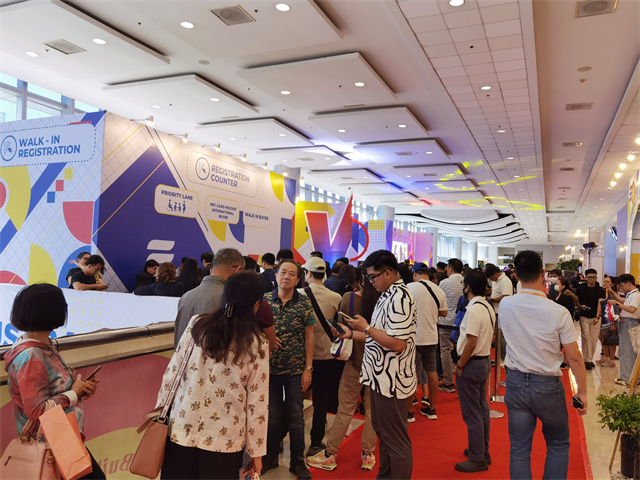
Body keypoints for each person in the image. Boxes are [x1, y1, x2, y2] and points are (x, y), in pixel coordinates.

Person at [158, 272, 269, 479]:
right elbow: (257, 403)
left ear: (224, 297)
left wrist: (160, 414)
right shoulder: (257, 344)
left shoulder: (197, 325)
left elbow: (171, 374)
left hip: (181, 429)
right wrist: (256, 452)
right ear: (256, 306)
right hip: (224, 440)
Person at [500, 250, 587, 480]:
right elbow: (574, 357)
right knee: (558, 444)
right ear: (543, 274)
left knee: (519, 449)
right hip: (547, 385)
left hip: (516, 382)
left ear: (516, 276)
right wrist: (582, 392)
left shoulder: (506, 305)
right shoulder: (558, 312)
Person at [4, 284, 105, 479]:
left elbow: (52, 390)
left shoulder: (42, 346)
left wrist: (80, 390)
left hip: (61, 437)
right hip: (51, 442)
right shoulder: (31, 356)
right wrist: (73, 394)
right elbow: (36, 410)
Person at [332, 250, 416, 480]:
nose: (370, 282)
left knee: (395, 440)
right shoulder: (387, 294)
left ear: (388, 273)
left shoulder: (400, 297)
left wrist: (366, 328)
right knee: (385, 434)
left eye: (372, 277)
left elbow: (397, 344)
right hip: (380, 377)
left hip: (392, 380)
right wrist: (351, 334)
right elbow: (378, 337)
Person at [306, 278, 381, 471]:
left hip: (354, 362)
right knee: (372, 411)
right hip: (378, 364)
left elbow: (340, 329)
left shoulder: (349, 297)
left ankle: (330, 454)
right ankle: (367, 454)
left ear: (363, 278)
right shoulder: (386, 300)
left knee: (345, 409)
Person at [262, 259, 315, 480]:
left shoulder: (304, 303)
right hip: (269, 370)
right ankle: (270, 456)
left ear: (298, 279)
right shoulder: (264, 301)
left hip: (295, 370)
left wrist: (308, 368)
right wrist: (267, 338)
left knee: (296, 416)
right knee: (272, 415)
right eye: (283, 272)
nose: (286, 277)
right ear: (275, 276)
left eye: (292, 274)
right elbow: (254, 329)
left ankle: (297, 460)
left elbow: (310, 337)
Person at [298, 256, 343, 457]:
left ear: (307, 273)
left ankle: (285, 441)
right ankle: (316, 442)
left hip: (301, 358)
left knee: (294, 400)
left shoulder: (298, 295)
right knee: (321, 400)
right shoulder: (336, 297)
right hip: (326, 355)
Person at [454, 270, 495, 473]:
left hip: (472, 363)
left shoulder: (473, 310)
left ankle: (477, 457)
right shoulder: (486, 306)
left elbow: (471, 342)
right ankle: (481, 451)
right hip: (483, 360)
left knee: (472, 413)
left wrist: (460, 365)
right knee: (481, 408)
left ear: (467, 287)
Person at [173, 249, 244, 347]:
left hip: (184, 355)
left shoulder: (186, 296)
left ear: (211, 270)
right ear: (238, 270)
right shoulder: (232, 299)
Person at [406, 262, 447, 421]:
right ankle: (432, 408)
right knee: (432, 372)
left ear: (415, 273)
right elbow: (444, 312)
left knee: (411, 373)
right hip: (431, 337)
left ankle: (409, 411)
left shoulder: (409, 288)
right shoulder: (438, 289)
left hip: (413, 337)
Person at [604, 273, 640, 386]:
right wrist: (612, 292)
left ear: (628, 283)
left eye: (622, 285)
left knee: (626, 351)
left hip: (630, 322)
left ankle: (626, 378)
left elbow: (632, 309)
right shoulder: (631, 294)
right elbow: (624, 301)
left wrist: (616, 304)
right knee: (628, 351)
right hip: (627, 322)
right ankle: (632, 377)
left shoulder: (635, 295)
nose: (621, 288)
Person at [438, 258, 465, 393]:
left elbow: (439, 301)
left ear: (450, 268)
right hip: (462, 322)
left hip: (445, 322)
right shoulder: (466, 282)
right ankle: (463, 383)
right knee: (463, 351)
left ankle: (448, 382)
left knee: (445, 351)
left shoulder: (444, 283)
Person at [575, 268, 606, 370]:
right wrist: (580, 306)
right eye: (590, 277)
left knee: (593, 339)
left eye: (594, 277)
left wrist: (597, 316)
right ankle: (586, 360)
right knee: (586, 338)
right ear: (585, 278)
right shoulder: (580, 288)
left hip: (596, 316)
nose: (592, 279)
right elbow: (577, 300)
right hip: (584, 315)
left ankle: (589, 359)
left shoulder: (600, 290)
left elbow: (600, 303)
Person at [597, 276, 619, 368]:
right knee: (602, 338)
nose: (605, 283)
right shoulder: (603, 293)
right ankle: (606, 356)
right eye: (605, 281)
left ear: (612, 284)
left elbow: (616, 307)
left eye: (608, 282)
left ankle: (611, 359)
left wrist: (613, 320)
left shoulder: (614, 295)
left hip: (611, 318)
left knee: (611, 339)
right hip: (603, 318)